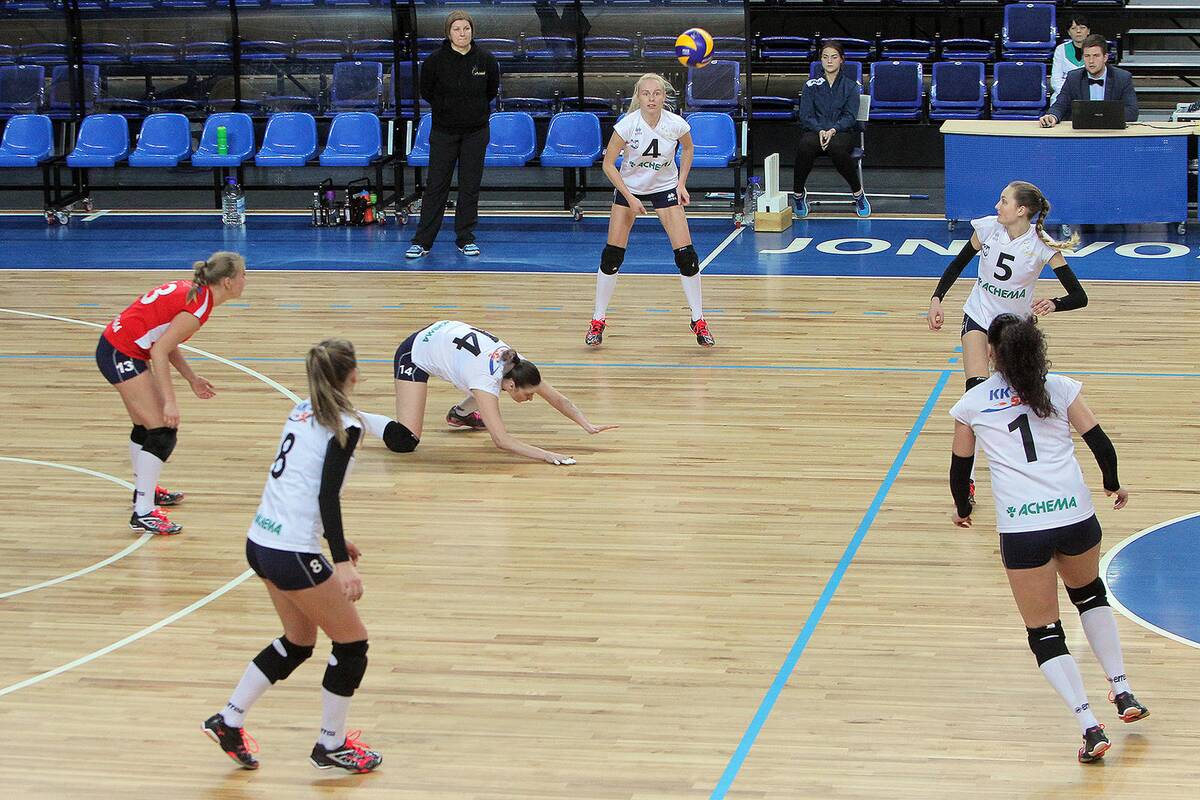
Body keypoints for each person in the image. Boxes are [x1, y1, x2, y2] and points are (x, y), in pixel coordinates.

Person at [949, 314, 1149, 763]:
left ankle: (1090, 726)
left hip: (1023, 530)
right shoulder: (1059, 388)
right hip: (1076, 517)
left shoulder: (973, 403)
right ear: (1035, 348)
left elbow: (960, 470)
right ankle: (1123, 691)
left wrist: (963, 509)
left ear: (992, 354)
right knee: (1090, 596)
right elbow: (1100, 442)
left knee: (1044, 632)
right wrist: (1113, 484)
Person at [203, 339, 383, 774]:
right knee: (352, 644)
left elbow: (299, 481)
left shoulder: (301, 409)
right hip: (291, 551)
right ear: (352, 375)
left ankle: (228, 719)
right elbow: (326, 495)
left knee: (298, 641)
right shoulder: (345, 425)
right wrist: (340, 561)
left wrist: (333, 539)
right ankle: (331, 745)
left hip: (261, 541)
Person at [928, 181, 1087, 500]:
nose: (997, 206)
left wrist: (1054, 303)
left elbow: (1079, 296)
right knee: (975, 393)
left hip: (1015, 331)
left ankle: (1034, 470)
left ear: (1021, 210)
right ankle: (967, 480)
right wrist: (936, 299)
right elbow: (957, 265)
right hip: (978, 316)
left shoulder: (1042, 247)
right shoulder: (987, 229)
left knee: (1025, 398)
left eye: (1004, 201)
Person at [96, 252, 247, 535]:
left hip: (117, 348)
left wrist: (191, 378)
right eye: (243, 275)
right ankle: (143, 512)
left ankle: (145, 491)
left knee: (145, 428)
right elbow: (159, 351)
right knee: (163, 431)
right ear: (227, 282)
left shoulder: (196, 294)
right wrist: (170, 403)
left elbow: (164, 340)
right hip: (121, 353)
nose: (245, 280)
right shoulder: (198, 306)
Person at [360, 320, 617, 465]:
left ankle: (460, 414)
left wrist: (587, 425)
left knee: (490, 390)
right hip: (415, 351)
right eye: (528, 395)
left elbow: (558, 398)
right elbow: (501, 441)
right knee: (406, 441)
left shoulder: (518, 365)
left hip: (444, 333)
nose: (530, 399)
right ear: (513, 385)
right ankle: (353, 416)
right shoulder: (485, 379)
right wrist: (549, 456)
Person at [586, 73, 715, 349]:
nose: (651, 99)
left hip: (664, 186)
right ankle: (598, 320)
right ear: (639, 97)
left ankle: (698, 319)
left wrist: (681, 183)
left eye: (656, 93)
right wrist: (629, 197)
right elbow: (608, 165)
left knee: (687, 257)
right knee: (612, 257)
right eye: (646, 94)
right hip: (630, 188)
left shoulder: (675, 123)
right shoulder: (627, 126)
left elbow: (688, 148)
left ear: (664, 96)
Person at [406, 10, 500, 260]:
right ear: (448, 33)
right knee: (436, 186)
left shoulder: (486, 60)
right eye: (457, 29)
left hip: (476, 133)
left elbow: (491, 91)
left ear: (472, 31)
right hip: (443, 133)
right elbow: (426, 91)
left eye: (466, 28)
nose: (462, 33)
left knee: (469, 187)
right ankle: (422, 241)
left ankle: (465, 238)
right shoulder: (434, 61)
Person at [793, 41, 869, 219]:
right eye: (825, 57)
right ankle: (798, 195)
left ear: (841, 59)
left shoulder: (851, 86)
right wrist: (820, 130)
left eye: (834, 57)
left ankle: (858, 194)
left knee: (837, 148)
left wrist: (833, 130)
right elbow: (805, 115)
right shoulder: (810, 85)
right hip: (815, 132)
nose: (829, 61)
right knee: (805, 146)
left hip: (841, 133)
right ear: (820, 60)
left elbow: (850, 116)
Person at [1040, 34, 1137, 127]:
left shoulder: (1122, 78)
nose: (1091, 61)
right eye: (1087, 56)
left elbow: (1132, 111)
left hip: (1111, 131)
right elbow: (1060, 105)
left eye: (1096, 56)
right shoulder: (1073, 78)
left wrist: (1101, 117)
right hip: (1081, 133)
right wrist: (1052, 116)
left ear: (1105, 58)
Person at [1050, 15, 1091, 104]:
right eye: (1073, 28)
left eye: (1082, 28)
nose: (1078, 31)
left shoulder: (1096, 49)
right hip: (1064, 94)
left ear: (1088, 31)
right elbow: (1056, 79)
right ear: (1069, 32)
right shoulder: (1060, 49)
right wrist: (1069, 93)